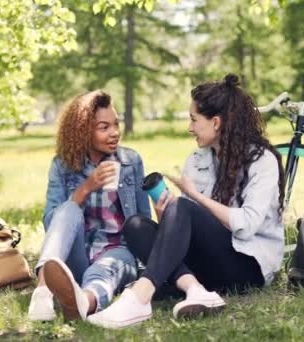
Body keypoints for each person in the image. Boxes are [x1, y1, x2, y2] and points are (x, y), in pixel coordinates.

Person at [87, 74, 286, 329]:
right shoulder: (197, 159)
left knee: (182, 206)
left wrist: (195, 197)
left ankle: (141, 295)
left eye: (194, 119)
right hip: (207, 264)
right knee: (136, 225)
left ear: (216, 122)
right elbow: (185, 227)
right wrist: (164, 217)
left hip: (247, 267)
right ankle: (196, 290)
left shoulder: (262, 160)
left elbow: (246, 225)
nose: (190, 128)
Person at [27, 90, 151, 322]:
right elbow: (51, 222)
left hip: (118, 252)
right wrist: (86, 188)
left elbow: (142, 221)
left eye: (116, 124)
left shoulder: (130, 161)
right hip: (77, 255)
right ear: (83, 131)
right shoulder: (62, 165)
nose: (114, 133)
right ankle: (42, 291)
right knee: (68, 209)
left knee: (102, 271)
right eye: (104, 127)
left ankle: (84, 302)